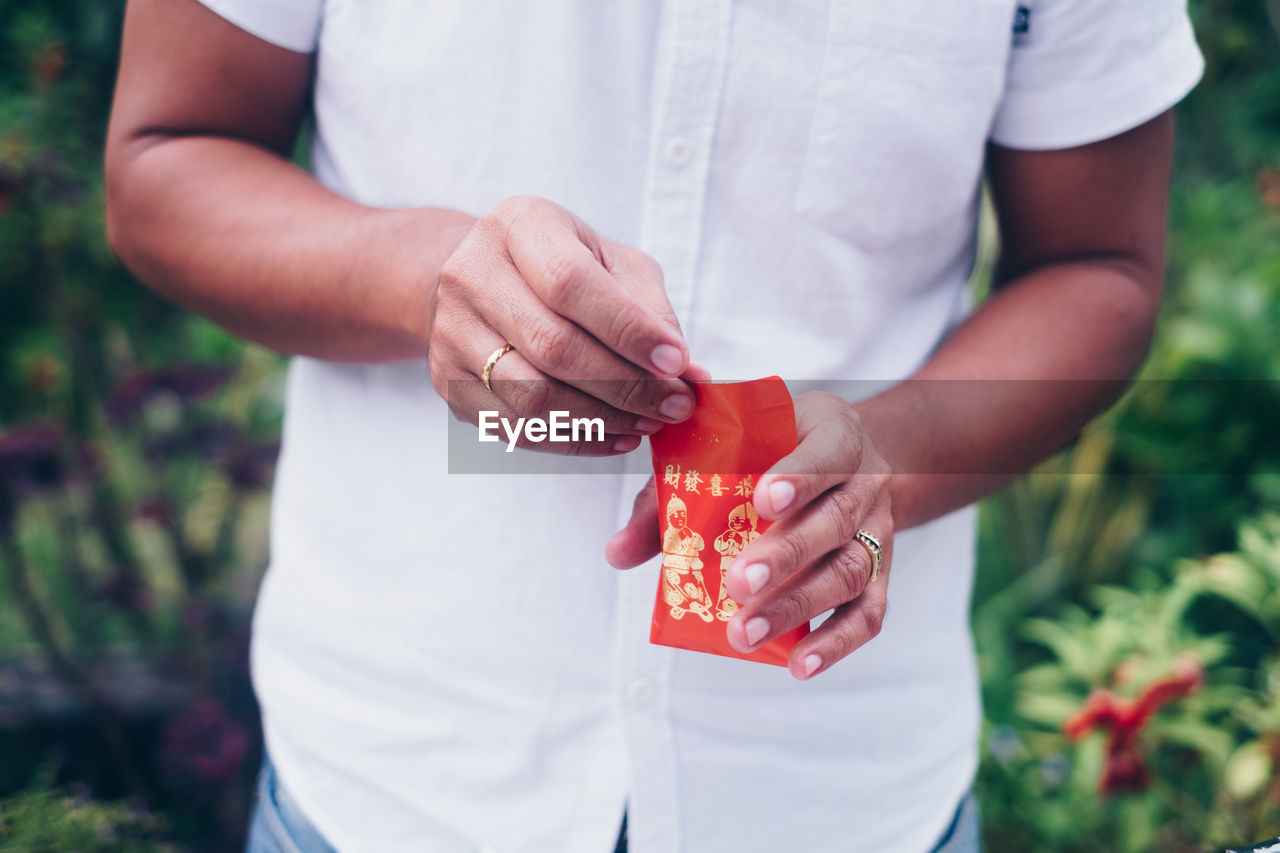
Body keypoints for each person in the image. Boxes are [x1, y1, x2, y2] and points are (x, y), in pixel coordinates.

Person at [103, 0, 1204, 850]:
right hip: (392, 773)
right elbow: (166, 158)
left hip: (841, 787)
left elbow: (1096, 269)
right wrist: (420, 279)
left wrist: (891, 460)